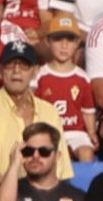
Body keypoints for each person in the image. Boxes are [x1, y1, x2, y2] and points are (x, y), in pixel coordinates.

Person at [0, 42, 72, 188]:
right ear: (0, 70)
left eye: (24, 65)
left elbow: (61, 170)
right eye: (10, 64)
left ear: (35, 71)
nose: (16, 71)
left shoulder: (49, 111)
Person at [34, 13, 96, 159]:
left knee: (86, 153)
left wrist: (92, 132)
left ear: (77, 43)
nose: (64, 45)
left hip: (76, 132)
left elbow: (87, 110)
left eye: (70, 39)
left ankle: (84, 182)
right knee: (51, 155)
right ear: (48, 42)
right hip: (48, 131)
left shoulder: (82, 77)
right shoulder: (40, 76)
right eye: (58, 39)